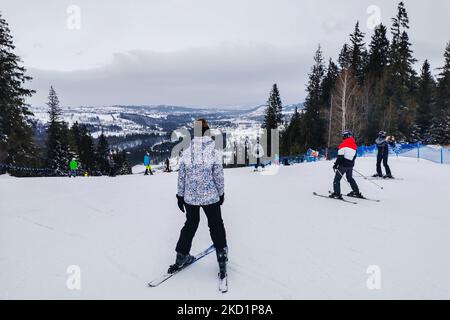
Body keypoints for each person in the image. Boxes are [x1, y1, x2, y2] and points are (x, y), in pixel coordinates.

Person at [169, 118, 228, 280]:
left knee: (190, 225)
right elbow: (218, 176)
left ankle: (181, 256)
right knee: (216, 225)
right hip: (210, 198)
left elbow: (181, 177)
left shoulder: (187, 150)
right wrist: (221, 193)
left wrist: (180, 196)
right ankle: (222, 258)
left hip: (191, 198)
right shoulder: (213, 150)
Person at [329, 130, 362, 199]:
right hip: (350, 165)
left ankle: (336, 194)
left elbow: (340, 157)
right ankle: (356, 192)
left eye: (343, 135)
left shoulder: (343, 145)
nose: (342, 137)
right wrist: (350, 163)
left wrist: (336, 165)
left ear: (346, 136)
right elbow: (354, 156)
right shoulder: (354, 145)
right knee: (350, 178)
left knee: (337, 179)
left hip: (343, 165)